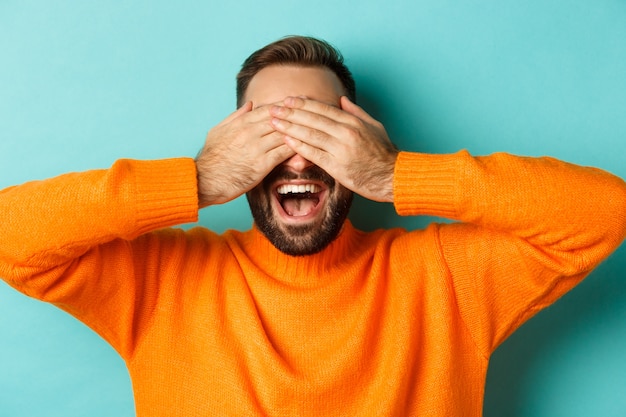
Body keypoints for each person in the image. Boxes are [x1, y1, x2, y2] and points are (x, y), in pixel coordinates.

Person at [1, 35, 625, 416]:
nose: (297, 156)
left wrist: (395, 176)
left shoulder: (446, 279)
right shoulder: (161, 282)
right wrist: (196, 181)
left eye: (320, 130)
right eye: (270, 131)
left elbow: (607, 210)